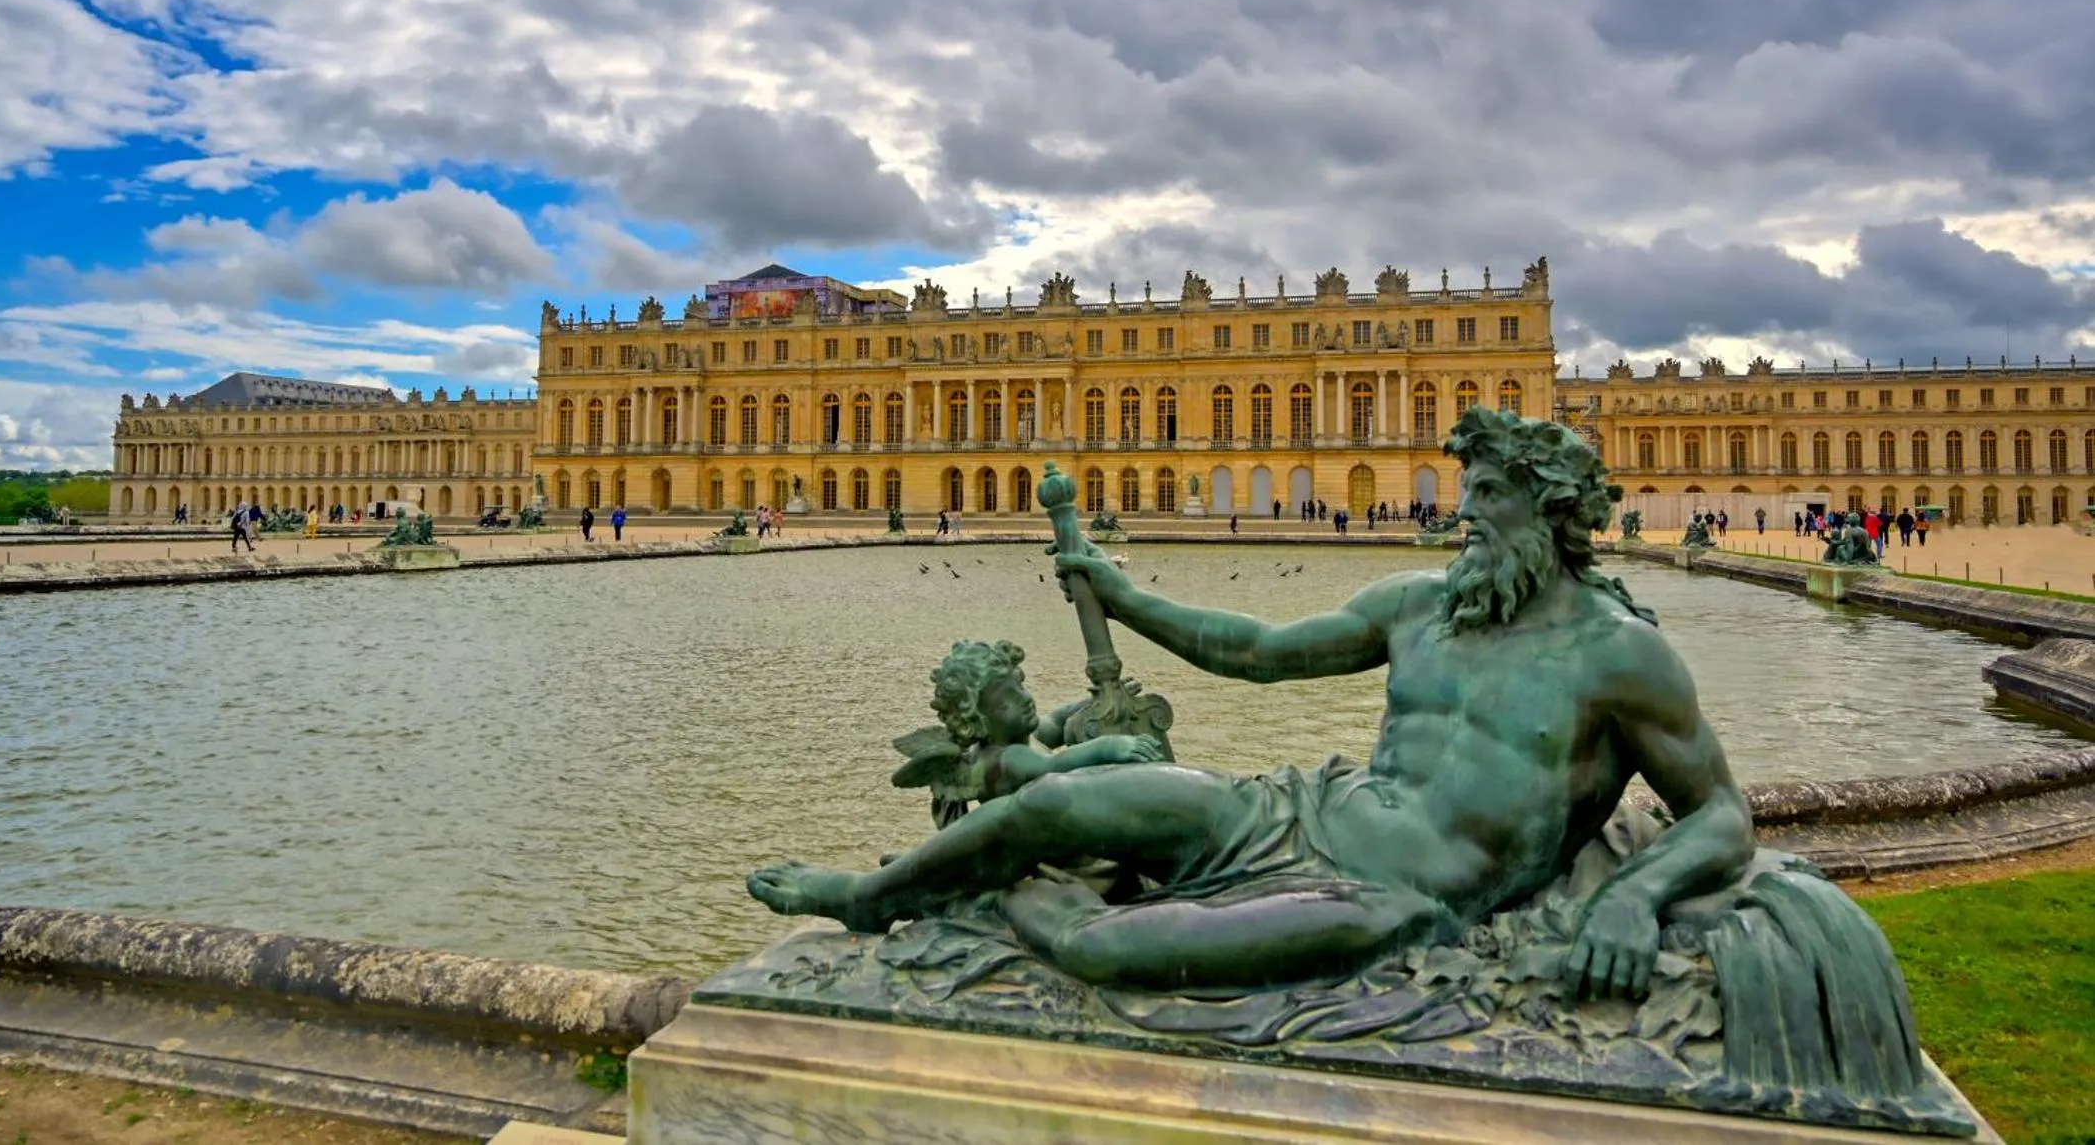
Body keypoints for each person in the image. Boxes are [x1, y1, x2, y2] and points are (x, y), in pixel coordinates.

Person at [750, 406, 1755, 997]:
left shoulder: (1620, 654)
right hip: (1297, 812)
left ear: (1549, 507)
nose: (1461, 513)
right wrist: (1123, 591)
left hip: (1395, 900)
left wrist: (1632, 892)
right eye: (1468, 489)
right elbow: (1259, 649)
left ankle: (988, 896)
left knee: (1107, 948)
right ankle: (868, 896)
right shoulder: (1421, 607)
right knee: (1059, 805)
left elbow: (1719, 812)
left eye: (1486, 491)